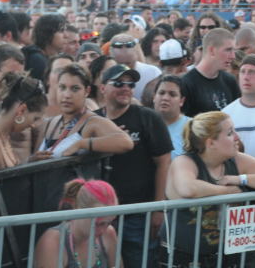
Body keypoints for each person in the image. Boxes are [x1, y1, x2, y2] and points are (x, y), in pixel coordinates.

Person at [163, 111, 255, 268]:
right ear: (211, 143)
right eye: (230, 133)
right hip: (182, 258)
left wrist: (239, 179)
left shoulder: (237, 160)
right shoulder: (184, 161)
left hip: (225, 258)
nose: (237, 137)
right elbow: (188, 188)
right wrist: (227, 192)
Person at [95, 63, 172, 268]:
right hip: (99, 215)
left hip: (139, 213)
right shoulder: (92, 120)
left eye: (130, 84)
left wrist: (158, 208)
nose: (126, 88)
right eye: (119, 83)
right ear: (102, 88)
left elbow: (164, 162)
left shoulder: (148, 117)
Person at [36, 63, 133, 159]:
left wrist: (81, 144)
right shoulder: (48, 123)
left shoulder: (93, 122)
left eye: (75, 89)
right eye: (62, 87)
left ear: (87, 91)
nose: (67, 95)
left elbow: (126, 142)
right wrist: (33, 159)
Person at [34, 178, 120, 268]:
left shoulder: (109, 233)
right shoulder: (52, 242)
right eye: (98, 224)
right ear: (79, 210)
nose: (103, 230)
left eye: (109, 223)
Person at [0, 72, 47, 170]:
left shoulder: (4, 135)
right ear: (21, 110)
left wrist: (29, 162)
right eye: (35, 118)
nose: (34, 125)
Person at [180, 28, 239, 117]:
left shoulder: (230, 81)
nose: (233, 56)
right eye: (228, 50)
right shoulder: (186, 83)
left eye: (234, 50)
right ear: (212, 50)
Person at [153, 75, 190, 159]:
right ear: (154, 97)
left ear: (181, 101)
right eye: (161, 93)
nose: (165, 98)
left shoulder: (192, 127)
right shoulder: (142, 123)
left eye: (172, 94)